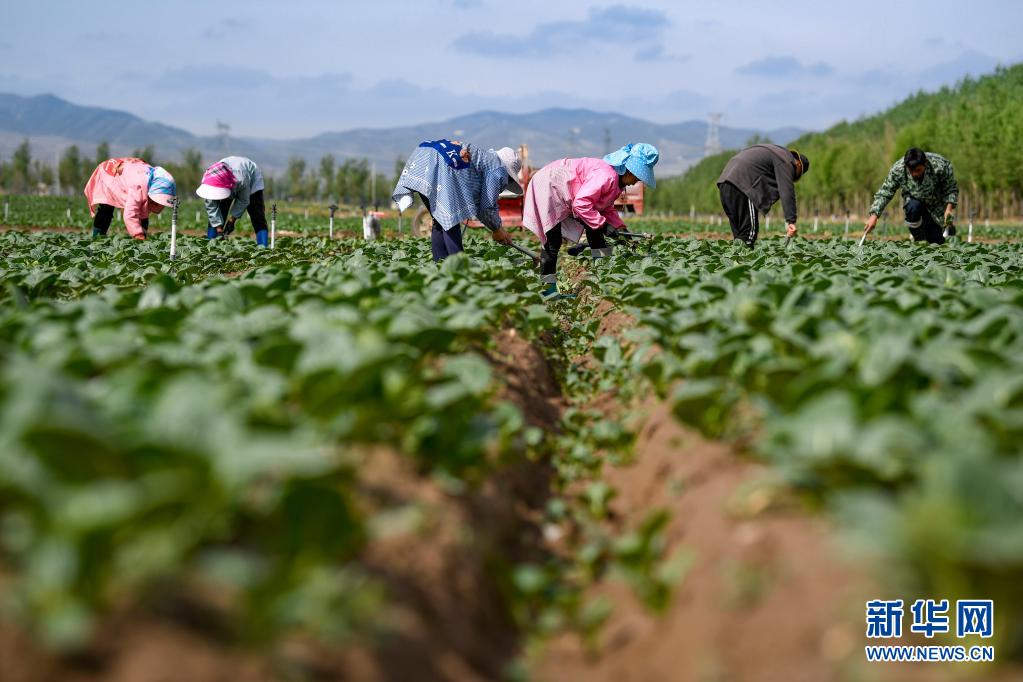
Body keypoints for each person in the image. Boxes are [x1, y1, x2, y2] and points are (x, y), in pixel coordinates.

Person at [522, 143, 658, 300]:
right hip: (549, 185)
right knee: (552, 242)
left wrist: (621, 229)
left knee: (595, 231)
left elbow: (606, 208)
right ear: (628, 169)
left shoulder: (615, 182)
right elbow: (581, 203)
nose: (636, 182)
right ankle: (549, 293)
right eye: (636, 176)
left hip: (558, 187)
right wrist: (604, 225)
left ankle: (604, 278)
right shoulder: (607, 176)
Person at [392, 139, 521, 261]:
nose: (505, 183)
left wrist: (498, 230)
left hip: (423, 156)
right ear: (508, 172)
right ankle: (459, 269)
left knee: (439, 221)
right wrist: (497, 229)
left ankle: (441, 265)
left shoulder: (485, 159)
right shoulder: (498, 169)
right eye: (508, 180)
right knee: (451, 220)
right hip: (440, 163)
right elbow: (487, 206)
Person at [716, 144, 809, 247]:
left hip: (725, 182)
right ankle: (744, 260)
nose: (792, 176)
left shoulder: (776, 152)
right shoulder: (787, 161)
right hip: (742, 185)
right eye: (796, 174)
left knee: (739, 235)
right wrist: (791, 221)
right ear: (799, 164)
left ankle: (736, 261)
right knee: (749, 232)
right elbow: (786, 190)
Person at [864, 147, 958, 244]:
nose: (914, 174)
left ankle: (940, 234)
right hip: (913, 202)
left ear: (925, 164)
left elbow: (951, 188)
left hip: (936, 205)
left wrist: (949, 209)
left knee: (935, 241)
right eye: (911, 171)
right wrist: (874, 215)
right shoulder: (898, 170)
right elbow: (885, 192)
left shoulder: (940, 165)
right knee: (913, 208)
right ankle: (918, 239)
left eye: (918, 170)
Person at [83, 157, 176, 239]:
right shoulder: (138, 187)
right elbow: (129, 214)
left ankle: (142, 240)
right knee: (106, 208)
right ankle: (96, 240)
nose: (157, 204)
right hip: (109, 174)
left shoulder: (152, 182)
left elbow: (144, 213)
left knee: (142, 211)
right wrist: (138, 234)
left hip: (129, 171)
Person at [196, 156, 269, 246]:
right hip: (225, 177)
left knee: (257, 215)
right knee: (221, 211)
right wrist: (218, 228)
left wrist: (232, 221)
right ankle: (211, 245)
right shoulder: (209, 181)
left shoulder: (242, 179)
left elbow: (244, 200)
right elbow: (211, 206)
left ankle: (263, 247)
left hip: (249, 178)